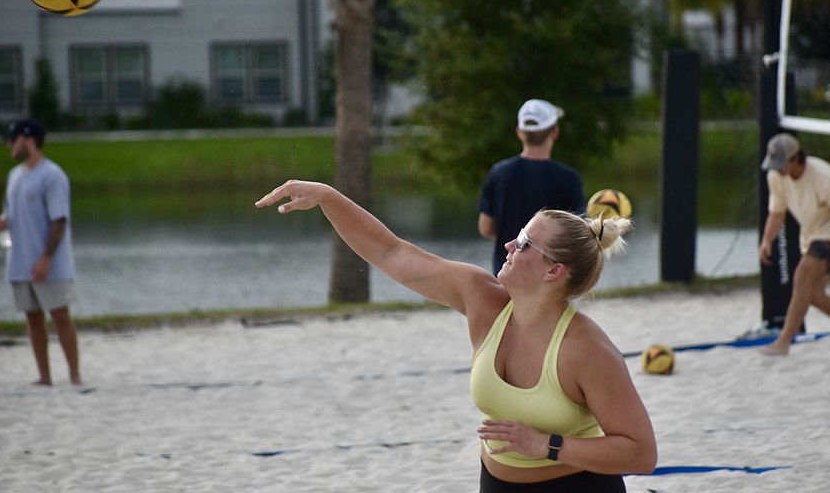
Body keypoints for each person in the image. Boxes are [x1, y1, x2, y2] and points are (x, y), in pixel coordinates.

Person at [256, 180, 656, 491]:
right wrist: (327, 197)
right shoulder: (483, 299)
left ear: (554, 271)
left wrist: (548, 445)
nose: (508, 244)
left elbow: (640, 453)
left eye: (524, 244)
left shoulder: (586, 349)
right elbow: (392, 253)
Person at [0, 119, 81, 385]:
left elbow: (59, 220)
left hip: (50, 263)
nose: (9, 144)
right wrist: (3, 222)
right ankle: (44, 376)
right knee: (33, 318)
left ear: (28, 139)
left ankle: (75, 375)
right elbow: (12, 212)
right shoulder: (14, 176)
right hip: (20, 262)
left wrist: (46, 258)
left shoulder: (52, 175)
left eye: (13, 139)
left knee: (60, 316)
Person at [479, 99, 586, 276]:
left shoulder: (498, 173)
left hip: (506, 273)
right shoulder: (569, 179)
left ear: (519, 132)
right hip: (548, 276)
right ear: (555, 132)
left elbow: (486, 228)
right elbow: (576, 234)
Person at [758, 132, 830, 356]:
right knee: (814, 294)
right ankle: (783, 342)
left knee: (801, 276)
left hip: (826, 233)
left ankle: (783, 342)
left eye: (781, 163)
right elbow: (777, 212)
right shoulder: (776, 176)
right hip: (810, 235)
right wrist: (767, 240)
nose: (776, 168)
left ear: (796, 158)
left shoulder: (822, 175)